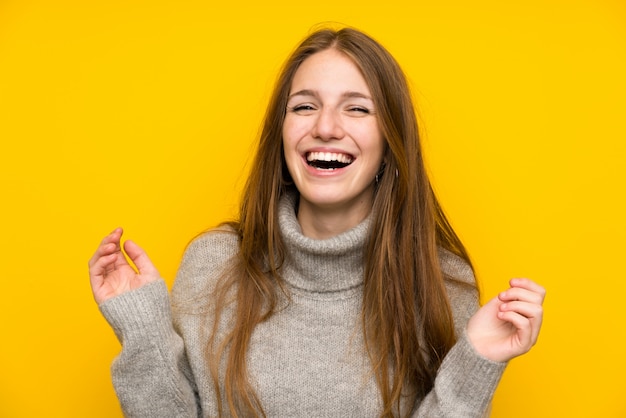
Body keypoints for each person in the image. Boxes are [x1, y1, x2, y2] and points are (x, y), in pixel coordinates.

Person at [89, 27, 545, 418]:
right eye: (304, 107)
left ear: (391, 142)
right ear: (281, 133)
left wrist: (477, 361)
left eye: (357, 108)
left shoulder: (442, 283)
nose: (325, 127)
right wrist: (142, 328)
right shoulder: (215, 263)